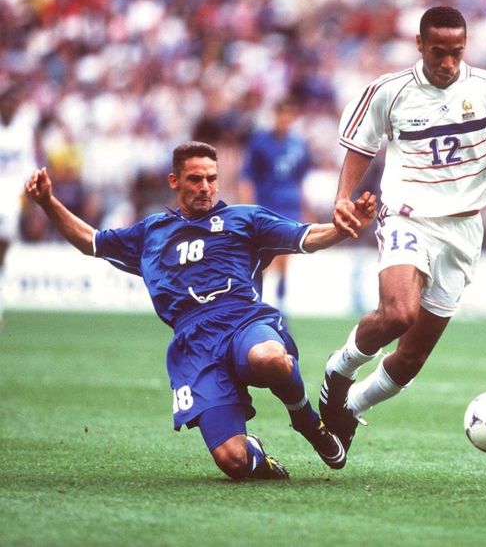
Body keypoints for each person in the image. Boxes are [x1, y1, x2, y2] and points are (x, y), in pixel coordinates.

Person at [25, 141, 377, 480]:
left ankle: (306, 421)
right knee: (233, 461)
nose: (205, 187)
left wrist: (345, 227)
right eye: (195, 179)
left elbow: (306, 236)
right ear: (174, 181)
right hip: (194, 344)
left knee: (270, 358)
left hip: (243, 320)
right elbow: (92, 242)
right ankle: (259, 461)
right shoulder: (152, 233)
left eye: (212, 178)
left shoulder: (245, 219)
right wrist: (48, 202)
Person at [318, 6, 486, 453]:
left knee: (412, 356)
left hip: (463, 229)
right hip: (408, 215)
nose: (447, 63)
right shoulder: (391, 91)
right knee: (398, 314)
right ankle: (339, 369)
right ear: (420, 45)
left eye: (456, 53)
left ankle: (350, 410)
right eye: (438, 52)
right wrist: (343, 197)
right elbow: (360, 145)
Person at [240, 98, 312, 319]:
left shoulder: (299, 144)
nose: (285, 120)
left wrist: (304, 206)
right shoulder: (260, 142)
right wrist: (248, 207)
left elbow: (300, 179)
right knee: (262, 257)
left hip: (289, 207)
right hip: (267, 205)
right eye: (282, 115)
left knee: (285, 255)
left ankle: (280, 304)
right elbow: (247, 177)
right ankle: (255, 301)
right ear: (276, 116)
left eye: (289, 116)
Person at [0, 83, 38, 329]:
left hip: (10, 199)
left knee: (2, 251)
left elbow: (28, 166)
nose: (11, 107)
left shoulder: (23, 131)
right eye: (7, 102)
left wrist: (32, 202)